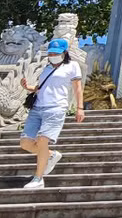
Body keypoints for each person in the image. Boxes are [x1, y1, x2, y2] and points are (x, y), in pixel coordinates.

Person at [19, 38, 84, 189]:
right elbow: (42, 87)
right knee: (25, 143)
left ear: (65, 53)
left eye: (56, 53)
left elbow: (78, 88)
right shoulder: (47, 68)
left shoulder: (72, 66)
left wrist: (80, 108)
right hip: (38, 108)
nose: (53, 55)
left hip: (56, 108)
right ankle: (50, 155)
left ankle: (38, 178)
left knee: (42, 140)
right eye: (51, 53)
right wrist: (29, 87)